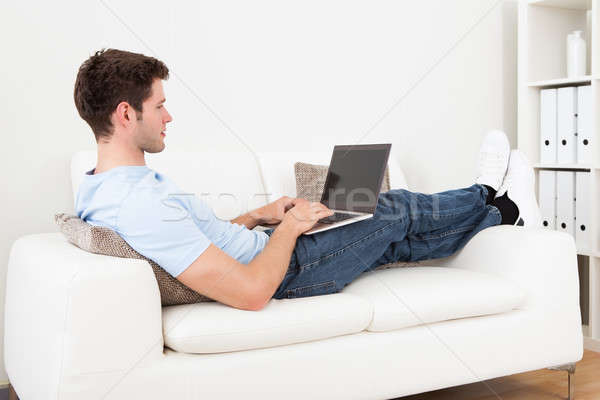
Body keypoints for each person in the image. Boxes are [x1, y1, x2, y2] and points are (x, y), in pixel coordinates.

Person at [74, 48, 541, 311]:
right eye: (159, 105)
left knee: (395, 242)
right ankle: (490, 194)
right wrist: (294, 229)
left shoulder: (109, 184)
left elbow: (205, 241)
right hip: (289, 272)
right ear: (125, 113)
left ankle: (503, 215)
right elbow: (254, 292)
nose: (168, 115)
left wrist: (261, 216)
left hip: (275, 250)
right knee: (392, 207)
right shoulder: (137, 205)